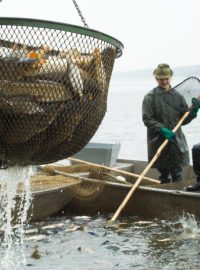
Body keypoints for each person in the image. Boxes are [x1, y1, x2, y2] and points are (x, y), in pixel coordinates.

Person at [142, 64, 198, 184]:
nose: (164, 81)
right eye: (161, 79)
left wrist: (193, 112)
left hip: (176, 140)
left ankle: (177, 195)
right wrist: (162, 129)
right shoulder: (150, 97)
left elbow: (184, 120)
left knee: (177, 173)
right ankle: (165, 192)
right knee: (163, 174)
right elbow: (147, 119)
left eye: (166, 78)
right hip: (158, 141)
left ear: (171, 77)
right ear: (156, 79)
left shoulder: (178, 96)